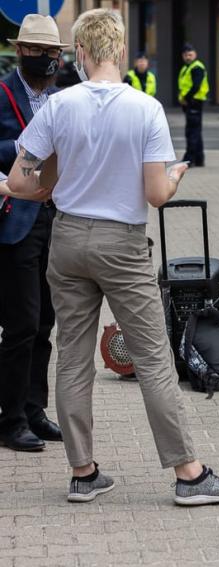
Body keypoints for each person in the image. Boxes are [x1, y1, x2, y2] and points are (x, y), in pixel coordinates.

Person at [7, 8, 219, 506]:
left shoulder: (57, 106)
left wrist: (55, 183)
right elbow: (157, 194)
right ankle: (189, 473)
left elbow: (20, 181)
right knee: (153, 358)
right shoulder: (145, 108)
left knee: (72, 358)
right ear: (119, 52)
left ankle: (83, 472)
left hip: (68, 239)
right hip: (122, 244)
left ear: (79, 52)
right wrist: (177, 176)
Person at [0, 13, 66, 453]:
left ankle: (34, 408)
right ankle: (9, 419)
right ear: (21, 50)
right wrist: (31, 143)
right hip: (15, 218)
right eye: (38, 51)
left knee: (45, 320)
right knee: (21, 322)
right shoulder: (3, 92)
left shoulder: (62, 97)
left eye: (52, 53)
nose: (45, 60)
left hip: (57, 219)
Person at [178, 43, 208, 167]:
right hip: (191, 103)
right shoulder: (187, 68)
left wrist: (186, 98)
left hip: (194, 102)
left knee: (192, 132)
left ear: (195, 54)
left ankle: (189, 159)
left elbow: (196, 86)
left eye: (190, 54)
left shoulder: (196, 67)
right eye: (186, 55)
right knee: (196, 131)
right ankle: (199, 159)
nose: (188, 57)